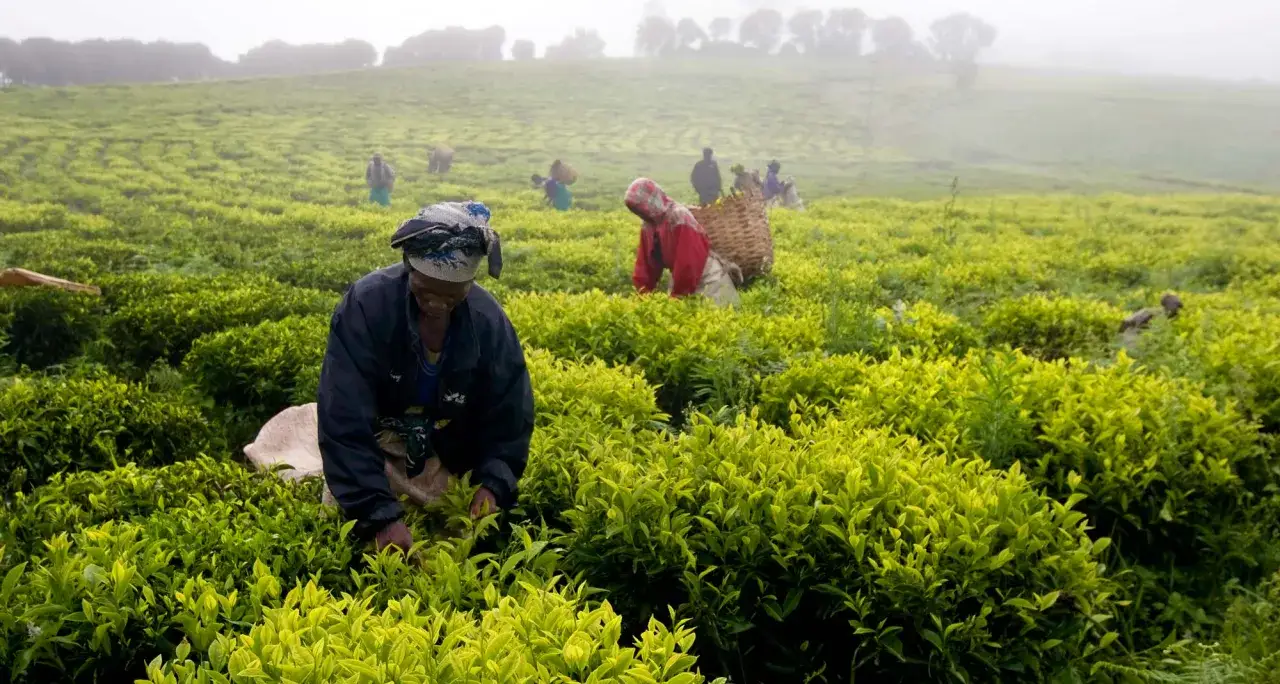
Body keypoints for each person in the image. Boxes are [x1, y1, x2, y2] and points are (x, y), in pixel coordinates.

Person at [318, 201, 534, 553]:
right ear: (408, 268)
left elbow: (509, 414)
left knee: (454, 548)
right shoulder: (367, 306)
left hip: (444, 449)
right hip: (379, 445)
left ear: (470, 283)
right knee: (349, 542)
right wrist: (378, 516)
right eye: (426, 290)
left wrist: (494, 483)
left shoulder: (488, 322)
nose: (437, 305)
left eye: (452, 295)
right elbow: (342, 415)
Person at [626, 178, 740, 307]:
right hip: (680, 277)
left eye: (642, 208)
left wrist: (678, 295)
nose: (642, 213)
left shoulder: (679, 216)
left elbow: (689, 261)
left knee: (721, 318)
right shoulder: (649, 225)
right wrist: (643, 295)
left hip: (708, 278)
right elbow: (645, 264)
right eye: (637, 210)